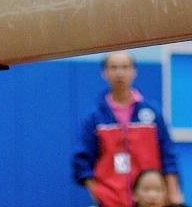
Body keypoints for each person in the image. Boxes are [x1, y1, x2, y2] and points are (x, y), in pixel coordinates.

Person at [72, 51, 183, 207]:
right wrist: (97, 191)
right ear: (104, 73)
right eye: (114, 68)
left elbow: (168, 152)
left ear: (134, 71)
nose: (120, 73)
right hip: (110, 197)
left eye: (125, 67)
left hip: (149, 198)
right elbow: (82, 160)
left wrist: (173, 190)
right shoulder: (94, 117)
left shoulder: (152, 112)